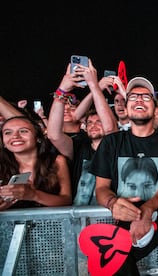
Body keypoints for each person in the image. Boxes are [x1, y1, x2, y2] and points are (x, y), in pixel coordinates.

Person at [90, 76, 158, 275]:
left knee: (114, 261)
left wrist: (148, 209)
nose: (139, 100)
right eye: (133, 97)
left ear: (156, 109)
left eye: (146, 97)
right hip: (117, 222)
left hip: (157, 217)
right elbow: (101, 188)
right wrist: (113, 203)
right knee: (113, 261)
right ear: (126, 106)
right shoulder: (111, 142)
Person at [47, 59, 118, 205]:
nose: (93, 125)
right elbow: (53, 135)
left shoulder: (118, 146)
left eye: (99, 122)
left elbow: (110, 128)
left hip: (110, 214)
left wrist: (94, 85)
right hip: (79, 218)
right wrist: (62, 90)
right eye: (90, 122)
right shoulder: (79, 146)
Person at [0, 116, 71, 210]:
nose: (15, 136)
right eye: (8, 133)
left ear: (38, 137)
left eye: (23, 131)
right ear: (3, 142)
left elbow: (66, 201)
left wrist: (33, 195)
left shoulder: (56, 161)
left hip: (50, 222)